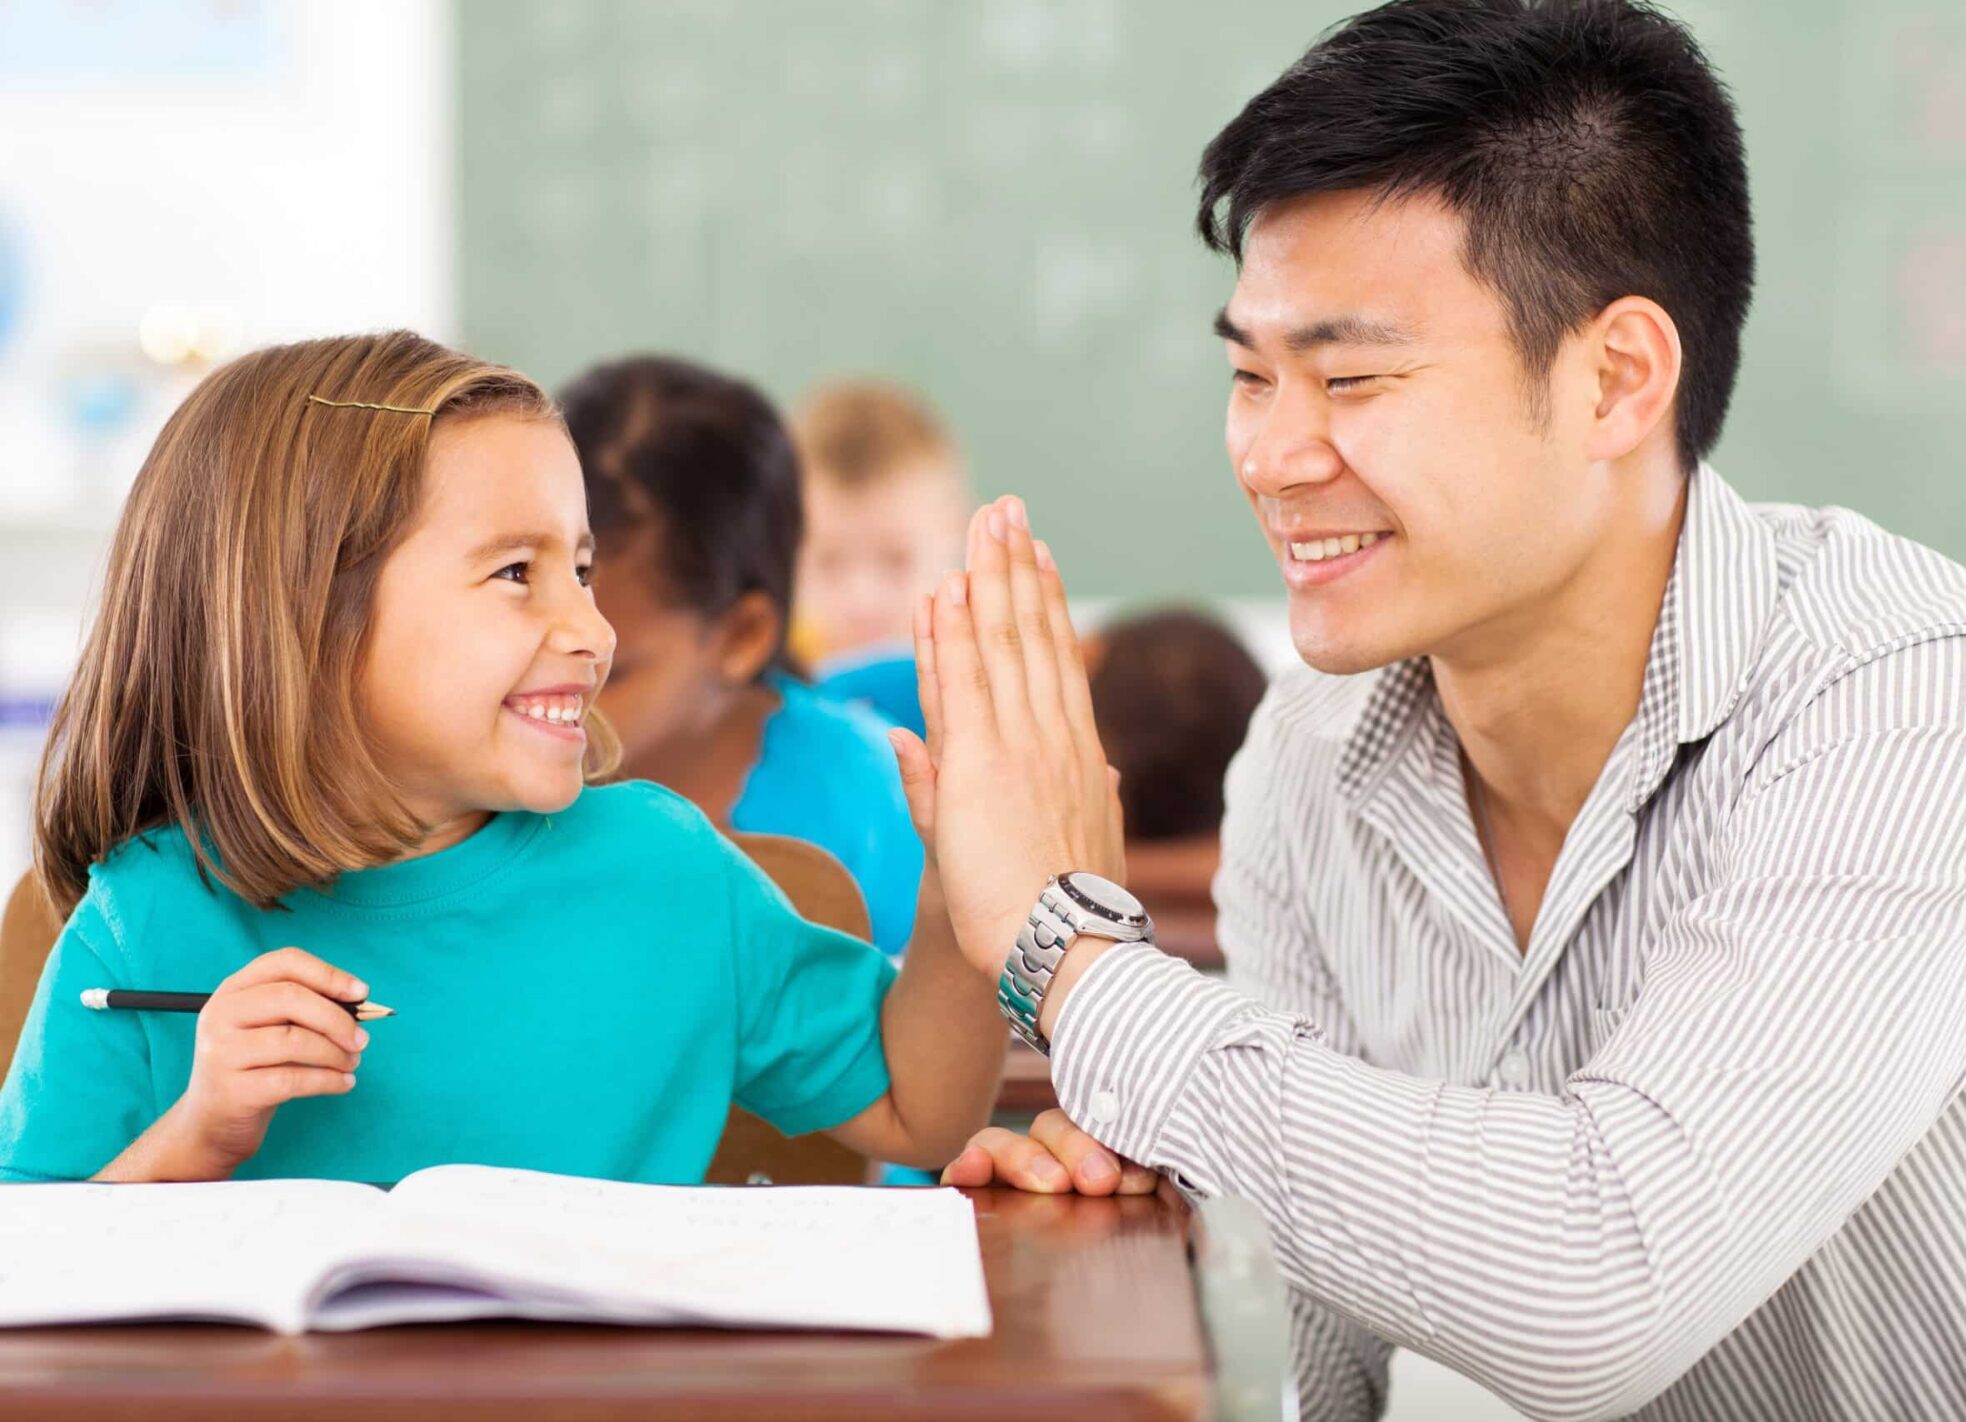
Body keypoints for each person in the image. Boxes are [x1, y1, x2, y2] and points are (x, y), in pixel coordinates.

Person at [901, 4, 1966, 1419]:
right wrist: (1165, 1167)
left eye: (1350, 379)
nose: (1270, 456)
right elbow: (1329, 1362)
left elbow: (1595, 1284)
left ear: (1614, 379)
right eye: (1247, 373)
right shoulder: (1306, 759)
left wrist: (1069, 956)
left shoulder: (1899, 693)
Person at [0, 332, 1002, 1186]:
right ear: (306, 623)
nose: (593, 629)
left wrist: (957, 900)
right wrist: (196, 1135)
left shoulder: (664, 873)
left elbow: (920, 1111)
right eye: (516, 573)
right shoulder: (142, 919)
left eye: (582, 568)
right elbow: (34, 1264)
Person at [559, 357, 923, 957]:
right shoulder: (496, 776)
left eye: (610, 673)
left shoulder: (871, 806)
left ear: (740, 636)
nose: (556, 695)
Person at [790, 379, 970, 739]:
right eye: (828, 562)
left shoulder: (983, 679)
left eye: (896, 559)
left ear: (958, 532)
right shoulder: (763, 682)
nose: (863, 601)